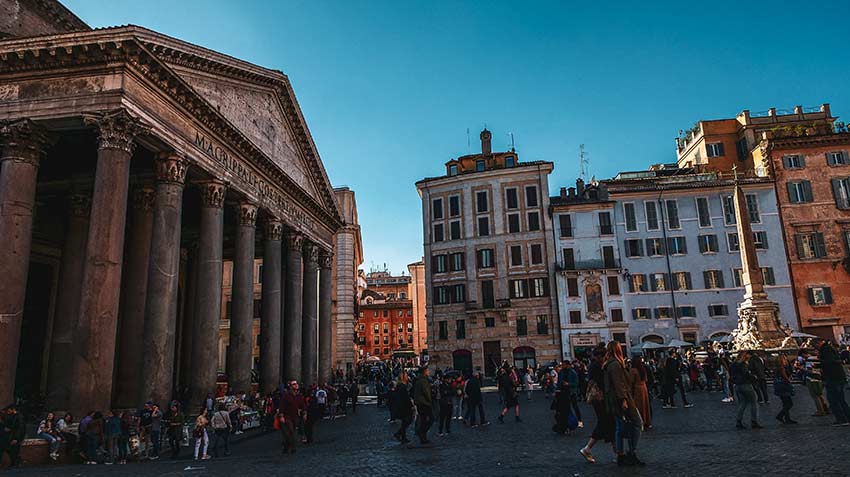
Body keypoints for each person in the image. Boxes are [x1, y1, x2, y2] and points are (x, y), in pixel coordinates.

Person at [604, 341, 644, 467]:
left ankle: (621, 455)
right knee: (637, 423)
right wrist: (624, 400)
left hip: (613, 399)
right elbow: (619, 383)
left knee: (620, 427)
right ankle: (631, 452)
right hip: (622, 399)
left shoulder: (608, 364)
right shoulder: (615, 364)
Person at [579, 346, 615, 464]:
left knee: (608, 422)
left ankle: (617, 451)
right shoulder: (597, 367)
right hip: (600, 398)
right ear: (600, 356)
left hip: (598, 399)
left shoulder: (593, 366)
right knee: (605, 421)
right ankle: (588, 448)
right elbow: (602, 382)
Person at [819, 340, 850, 426]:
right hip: (838, 377)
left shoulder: (826, 350)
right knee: (841, 399)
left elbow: (829, 362)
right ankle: (847, 417)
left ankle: (841, 419)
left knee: (834, 400)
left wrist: (820, 363)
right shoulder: (831, 349)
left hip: (832, 378)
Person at [730, 350, 762, 430]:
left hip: (737, 386)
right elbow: (746, 374)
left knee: (743, 403)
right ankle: (754, 421)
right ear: (744, 356)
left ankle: (738, 421)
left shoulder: (733, 364)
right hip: (745, 385)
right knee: (754, 402)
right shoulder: (743, 364)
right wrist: (754, 377)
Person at [279, 381, 305, 454]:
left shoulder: (299, 396)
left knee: (291, 432)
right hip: (287, 416)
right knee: (291, 432)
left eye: (296, 384)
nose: (296, 385)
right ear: (290, 386)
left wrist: (304, 413)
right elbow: (282, 406)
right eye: (294, 384)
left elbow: (302, 405)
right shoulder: (286, 396)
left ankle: (286, 447)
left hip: (295, 416)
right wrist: (281, 416)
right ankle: (293, 448)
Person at [802, 350, 829, 416]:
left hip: (811, 379)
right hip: (819, 378)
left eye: (803, 356)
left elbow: (810, 371)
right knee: (819, 394)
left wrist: (801, 369)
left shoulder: (809, 360)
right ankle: (825, 408)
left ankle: (820, 410)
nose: (803, 357)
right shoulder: (817, 358)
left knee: (815, 396)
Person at [773, 354, 797, 424]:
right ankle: (780, 415)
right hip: (783, 386)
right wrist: (789, 382)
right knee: (789, 403)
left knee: (785, 403)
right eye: (784, 359)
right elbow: (785, 377)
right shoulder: (782, 368)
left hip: (779, 386)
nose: (786, 360)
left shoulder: (777, 367)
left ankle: (787, 418)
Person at [413, 367, 433, 444]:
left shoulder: (418, 380)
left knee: (423, 419)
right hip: (424, 403)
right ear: (424, 372)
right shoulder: (423, 381)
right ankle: (422, 433)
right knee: (429, 419)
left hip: (419, 402)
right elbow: (426, 392)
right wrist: (430, 401)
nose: (428, 372)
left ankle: (422, 436)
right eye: (427, 371)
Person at [630, 357, 652, 430]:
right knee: (645, 405)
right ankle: (647, 421)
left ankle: (640, 421)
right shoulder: (643, 370)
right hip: (644, 388)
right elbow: (646, 379)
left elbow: (631, 381)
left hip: (637, 389)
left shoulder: (633, 370)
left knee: (638, 406)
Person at [392, 371, 414, 444]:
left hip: (401, 406)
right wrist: (411, 406)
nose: (408, 377)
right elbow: (406, 398)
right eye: (406, 376)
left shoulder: (400, 386)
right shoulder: (402, 386)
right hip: (404, 407)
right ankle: (399, 433)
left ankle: (403, 437)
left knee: (404, 422)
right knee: (408, 420)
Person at [563, 360, 583, 428]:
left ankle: (580, 421)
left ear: (568, 365)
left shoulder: (572, 372)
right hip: (565, 392)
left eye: (564, 365)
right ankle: (569, 422)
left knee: (575, 407)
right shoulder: (564, 372)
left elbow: (576, 383)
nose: (563, 366)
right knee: (567, 408)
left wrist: (568, 384)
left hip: (572, 392)